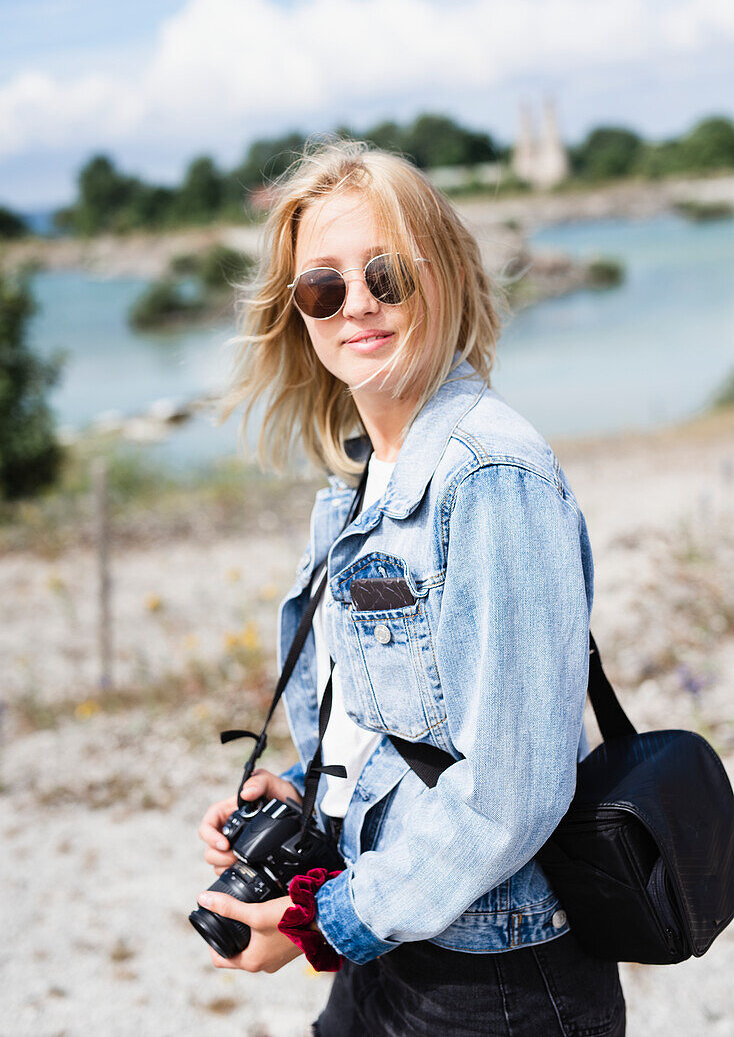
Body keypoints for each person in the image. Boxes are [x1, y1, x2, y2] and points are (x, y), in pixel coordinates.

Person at [196, 138, 626, 1035]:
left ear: (443, 279)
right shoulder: (356, 479)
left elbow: (511, 789)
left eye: (386, 275)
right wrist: (308, 795)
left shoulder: (489, 473)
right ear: (299, 313)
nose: (356, 305)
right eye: (323, 287)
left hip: (494, 978)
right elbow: (402, 727)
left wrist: (320, 927)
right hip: (388, 939)